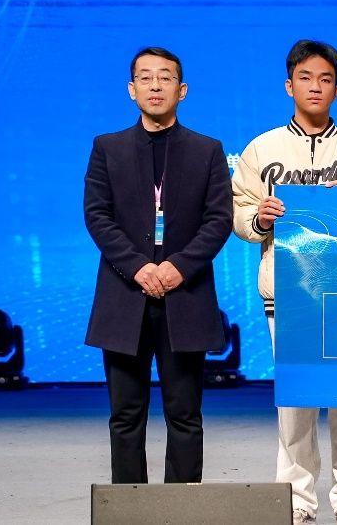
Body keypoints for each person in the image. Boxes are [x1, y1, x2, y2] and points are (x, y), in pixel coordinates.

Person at [231, 40, 337, 525]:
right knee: (296, 405)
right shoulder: (262, 148)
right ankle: (298, 502)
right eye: (305, 78)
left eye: (325, 79)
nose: (315, 87)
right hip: (288, 294)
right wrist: (260, 218)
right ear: (289, 85)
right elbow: (238, 213)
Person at [83, 47, 233, 484]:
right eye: (145, 78)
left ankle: (181, 508)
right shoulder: (107, 148)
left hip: (184, 296)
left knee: (184, 415)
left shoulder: (207, 150)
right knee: (125, 416)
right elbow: (97, 215)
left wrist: (177, 267)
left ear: (181, 90)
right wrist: (138, 267)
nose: (155, 86)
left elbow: (219, 219)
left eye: (165, 78)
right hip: (124, 295)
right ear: (131, 90)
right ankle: (129, 508)